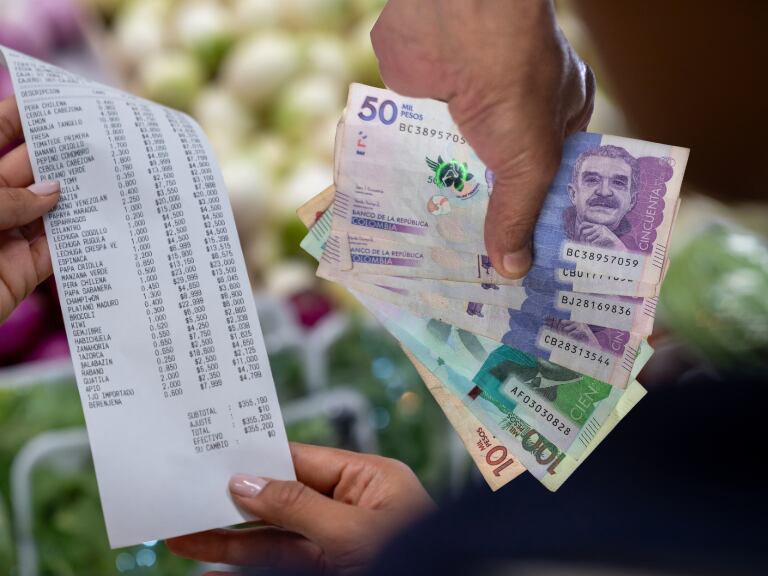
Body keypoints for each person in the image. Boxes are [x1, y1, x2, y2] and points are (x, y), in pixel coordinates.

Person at [565, 146, 637, 250]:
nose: (604, 192)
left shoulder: (633, 251)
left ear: (632, 202)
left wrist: (620, 252)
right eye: (592, 180)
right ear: (573, 194)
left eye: (618, 183)